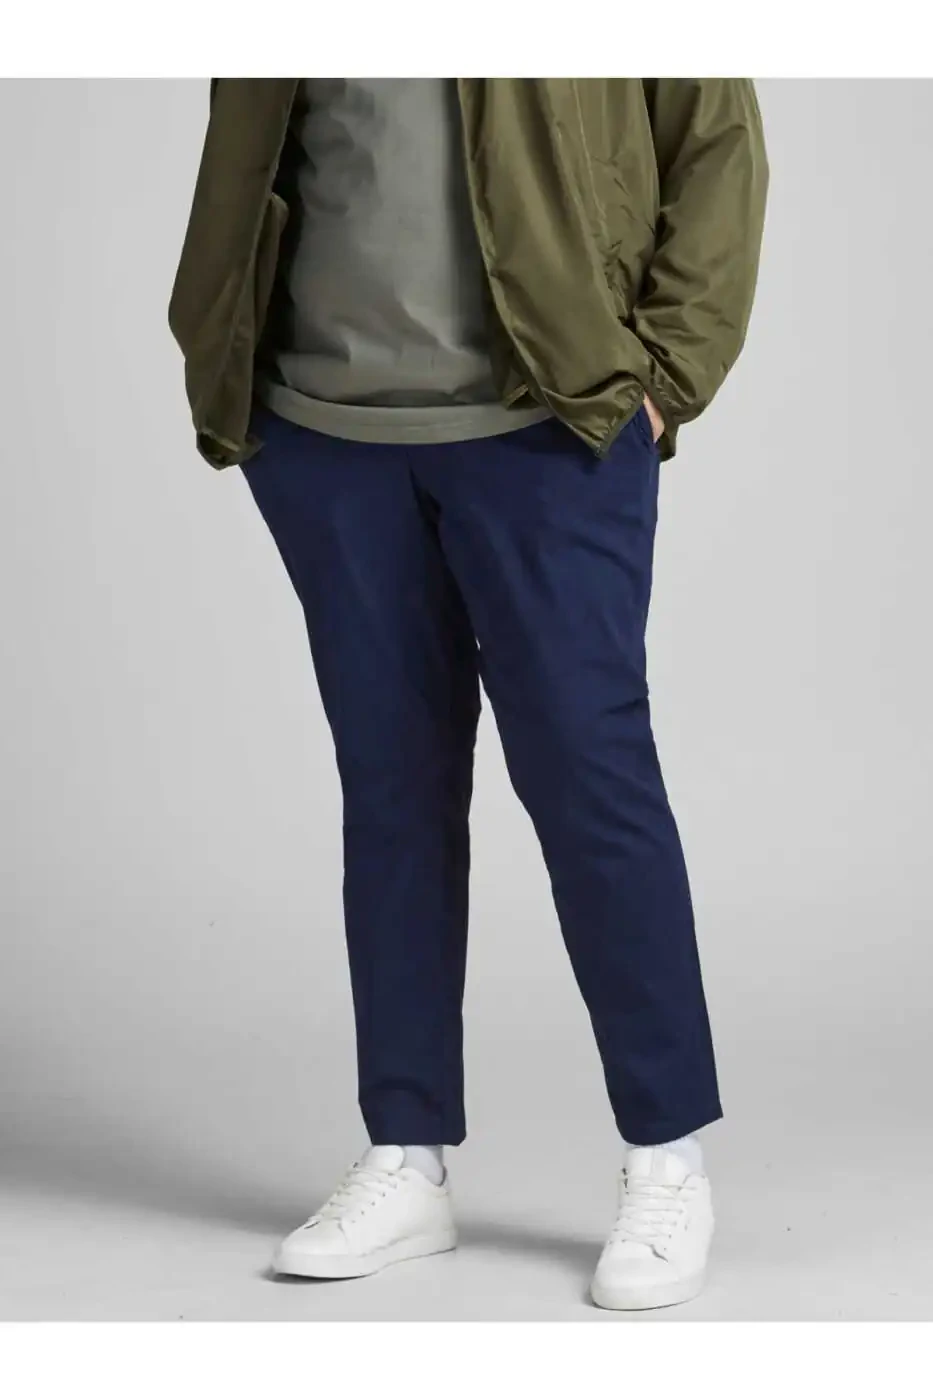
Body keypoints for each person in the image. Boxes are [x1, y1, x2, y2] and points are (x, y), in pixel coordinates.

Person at [168, 77, 768, 1310]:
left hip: (547, 422)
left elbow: (716, 145)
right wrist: (222, 348)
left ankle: (668, 1156)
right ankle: (407, 1153)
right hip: (324, 431)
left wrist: (663, 375)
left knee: (591, 778)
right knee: (391, 793)